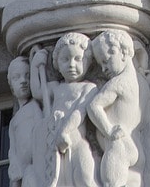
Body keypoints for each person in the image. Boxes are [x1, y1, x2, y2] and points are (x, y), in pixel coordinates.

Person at [31, 33, 100, 187]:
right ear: (56, 63)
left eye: (78, 59)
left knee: (85, 178)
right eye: (65, 59)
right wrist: (35, 66)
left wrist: (65, 131)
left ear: (88, 61)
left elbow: (79, 112)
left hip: (75, 140)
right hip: (53, 143)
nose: (71, 65)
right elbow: (37, 91)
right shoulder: (56, 88)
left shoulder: (89, 88)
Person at [88, 29, 149, 187]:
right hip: (129, 144)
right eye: (101, 64)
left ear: (121, 52)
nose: (103, 68)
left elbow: (94, 105)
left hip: (119, 146)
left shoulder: (118, 83)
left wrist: (109, 131)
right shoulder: (139, 80)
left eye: (106, 60)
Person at [7, 56, 42, 187]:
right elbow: (12, 148)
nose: (23, 81)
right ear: (11, 85)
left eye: (27, 76)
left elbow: (41, 129)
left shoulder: (35, 106)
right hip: (21, 171)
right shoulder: (14, 121)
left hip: (34, 167)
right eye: (17, 77)